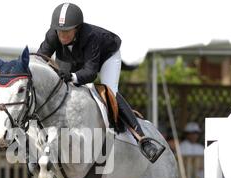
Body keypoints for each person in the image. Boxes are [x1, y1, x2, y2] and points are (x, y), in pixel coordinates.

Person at [38, 2, 163, 163]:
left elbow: (90, 73)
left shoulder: (91, 37)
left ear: (77, 28)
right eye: (59, 31)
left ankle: (142, 138)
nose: (62, 35)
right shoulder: (53, 34)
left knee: (109, 91)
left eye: (67, 31)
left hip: (106, 56)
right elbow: (41, 60)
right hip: (74, 58)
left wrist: (71, 76)